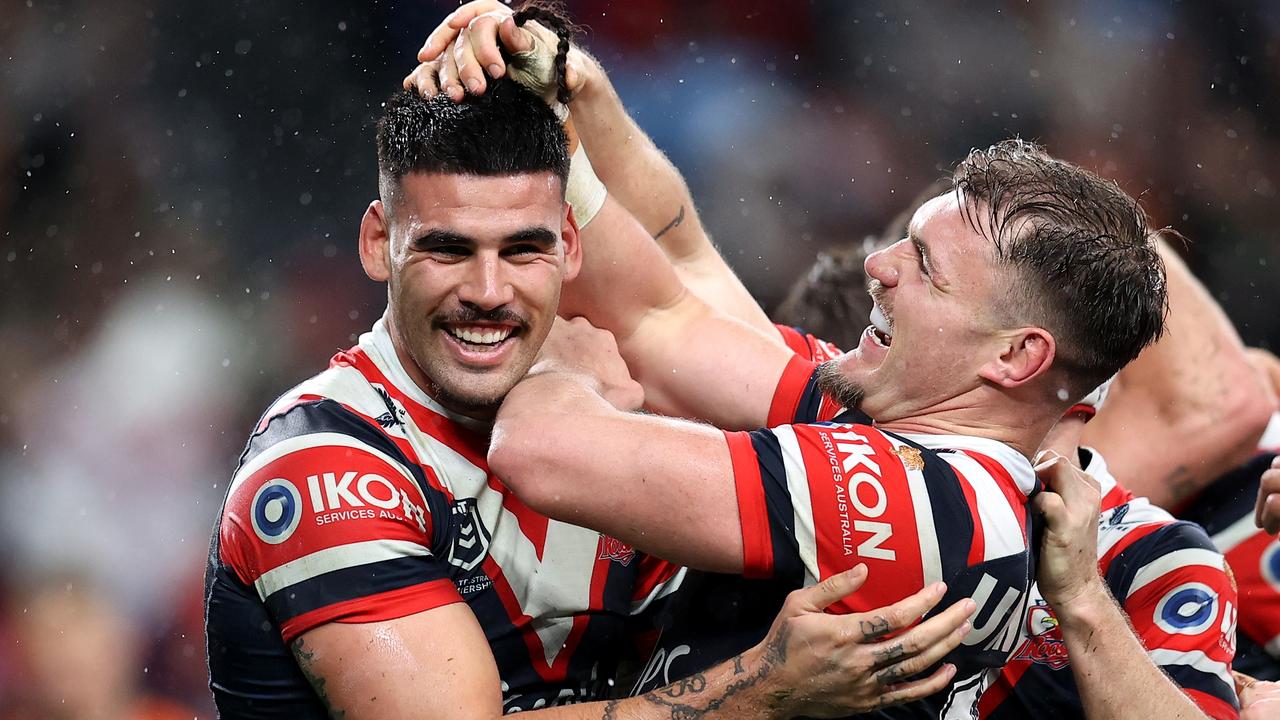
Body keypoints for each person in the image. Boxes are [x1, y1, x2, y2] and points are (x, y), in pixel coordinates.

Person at [204, 76, 974, 719]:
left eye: (523, 249)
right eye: (448, 249)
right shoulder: (323, 469)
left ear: (570, 244)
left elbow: (686, 269)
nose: (487, 291)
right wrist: (763, 691)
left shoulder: (639, 403)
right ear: (379, 244)